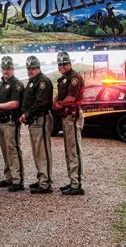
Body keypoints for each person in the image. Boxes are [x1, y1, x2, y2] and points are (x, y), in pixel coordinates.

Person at [19, 55, 54, 194]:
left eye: (33, 68)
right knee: (36, 152)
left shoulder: (43, 82)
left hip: (41, 119)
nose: (30, 71)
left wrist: (26, 114)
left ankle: (45, 183)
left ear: (38, 68)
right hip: (33, 121)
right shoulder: (32, 81)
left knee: (43, 151)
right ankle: (41, 178)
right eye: (29, 68)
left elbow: (40, 103)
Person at [52, 51, 85, 195]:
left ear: (70, 64)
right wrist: (56, 102)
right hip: (66, 117)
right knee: (68, 150)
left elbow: (71, 98)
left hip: (72, 115)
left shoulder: (74, 78)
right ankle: (72, 181)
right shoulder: (64, 79)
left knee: (74, 150)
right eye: (60, 64)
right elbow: (61, 95)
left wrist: (59, 104)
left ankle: (77, 185)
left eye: (64, 64)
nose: (62, 66)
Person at [0, 56, 25, 192]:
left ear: (13, 68)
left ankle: (18, 180)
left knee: (13, 149)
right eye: (4, 68)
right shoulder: (0, 84)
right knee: (5, 150)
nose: (6, 71)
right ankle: (9, 177)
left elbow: (15, 103)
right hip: (1, 121)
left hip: (11, 121)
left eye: (8, 68)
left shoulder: (16, 84)